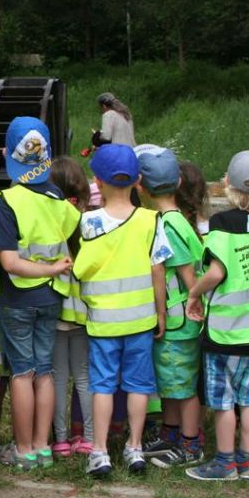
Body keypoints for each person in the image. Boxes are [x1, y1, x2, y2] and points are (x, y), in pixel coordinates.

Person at [185, 151, 249, 482]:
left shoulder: (221, 224)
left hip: (225, 333)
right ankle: (247, 462)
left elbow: (216, 272)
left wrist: (194, 293)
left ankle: (225, 463)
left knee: (225, 401)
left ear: (226, 184)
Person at [73, 144, 169, 477]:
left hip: (102, 322)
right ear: (138, 180)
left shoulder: (88, 222)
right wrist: (161, 313)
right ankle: (135, 447)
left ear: (96, 181)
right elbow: (159, 270)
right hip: (141, 319)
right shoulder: (150, 221)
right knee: (139, 385)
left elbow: (81, 268)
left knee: (103, 384)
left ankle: (99, 451)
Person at [0, 117, 79, 470]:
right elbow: (74, 236)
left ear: (5, 153)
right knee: (45, 371)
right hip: (51, 299)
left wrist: (46, 268)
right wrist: (55, 270)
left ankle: (24, 450)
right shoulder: (60, 200)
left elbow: (9, 262)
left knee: (23, 373)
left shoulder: (6, 201)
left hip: (18, 300)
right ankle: (43, 447)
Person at [135, 147, 205, 468]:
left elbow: (185, 273)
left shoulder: (167, 225)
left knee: (184, 386)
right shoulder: (176, 218)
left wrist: (170, 311)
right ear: (177, 181)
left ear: (142, 187)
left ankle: (191, 445)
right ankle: (171, 434)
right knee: (171, 383)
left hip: (179, 322)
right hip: (179, 322)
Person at [46, 157, 92, 458]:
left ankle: (60, 440)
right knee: (85, 376)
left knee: (58, 376)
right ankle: (88, 438)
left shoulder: (49, 222)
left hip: (56, 309)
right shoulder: (89, 223)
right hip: (85, 311)